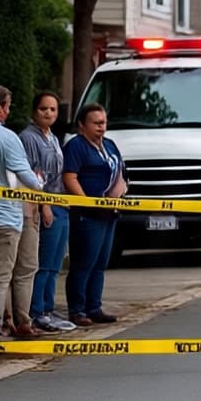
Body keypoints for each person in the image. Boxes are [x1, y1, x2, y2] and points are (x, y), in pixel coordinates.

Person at [0, 84, 45, 342]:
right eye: (8, 106)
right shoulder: (8, 138)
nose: (9, 110)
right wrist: (40, 184)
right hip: (3, 218)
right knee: (0, 278)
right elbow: (26, 177)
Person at [62, 103, 127, 327]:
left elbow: (120, 171)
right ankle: (77, 310)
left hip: (110, 213)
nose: (102, 127)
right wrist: (86, 203)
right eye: (96, 123)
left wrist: (120, 193)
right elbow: (70, 177)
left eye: (104, 123)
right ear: (82, 125)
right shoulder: (76, 147)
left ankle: (94, 307)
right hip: (88, 215)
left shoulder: (109, 145)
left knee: (100, 263)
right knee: (84, 263)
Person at [19, 91, 77, 333]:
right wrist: (44, 205)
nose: (49, 113)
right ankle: (37, 310)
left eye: (53, 109)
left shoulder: (53, 137)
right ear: (35, 111)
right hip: (44, 204)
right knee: (42, 262)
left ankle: (49, 307)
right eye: (44, 109)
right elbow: (33, 176)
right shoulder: (29, 138)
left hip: (61, 202)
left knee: (55, 263)